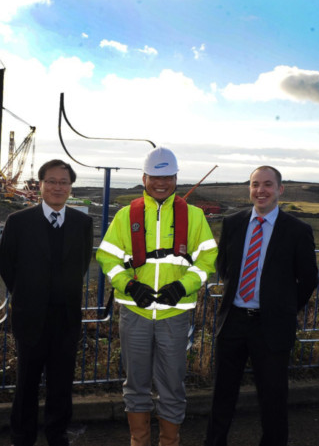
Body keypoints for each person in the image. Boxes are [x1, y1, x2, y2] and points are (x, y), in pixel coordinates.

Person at [96, 147, 217, 446]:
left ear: (175, 178)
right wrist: (130, 285)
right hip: (134, 314)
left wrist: (182, 287)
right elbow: (107, 257)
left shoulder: (195, 216)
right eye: (154, 177)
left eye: (166, 177)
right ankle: (139, 441)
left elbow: (207, 260)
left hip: (174, 316)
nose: (160, 183)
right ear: (144, 178)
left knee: (172, 386)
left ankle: (169, 442)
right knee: (135, 384)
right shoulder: (127, 215)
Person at [204, 166, 319, 446]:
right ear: (250, 189)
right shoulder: (232, 223)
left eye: (268, 184)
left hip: (271, 326)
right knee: (222, 396)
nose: (261, 190)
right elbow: (224, 266)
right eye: (255, 184)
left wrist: (284, 307)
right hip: (233, 322)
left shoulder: (298, 230)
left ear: (280, 189)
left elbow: (309, 279)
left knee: (273, 399)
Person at [0, 159, 93, 446]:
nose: (57, 187)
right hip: (30, 317)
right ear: (39, 185)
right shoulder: (18, 222)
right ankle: (22, 437)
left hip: (66, 319)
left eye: (63, 182)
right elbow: (7, 267)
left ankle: (57, 435)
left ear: (70, 188)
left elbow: (82, 264)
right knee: (26, 384)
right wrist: (28, 295)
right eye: (51, 181)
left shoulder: (82, 223)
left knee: (61, 385)